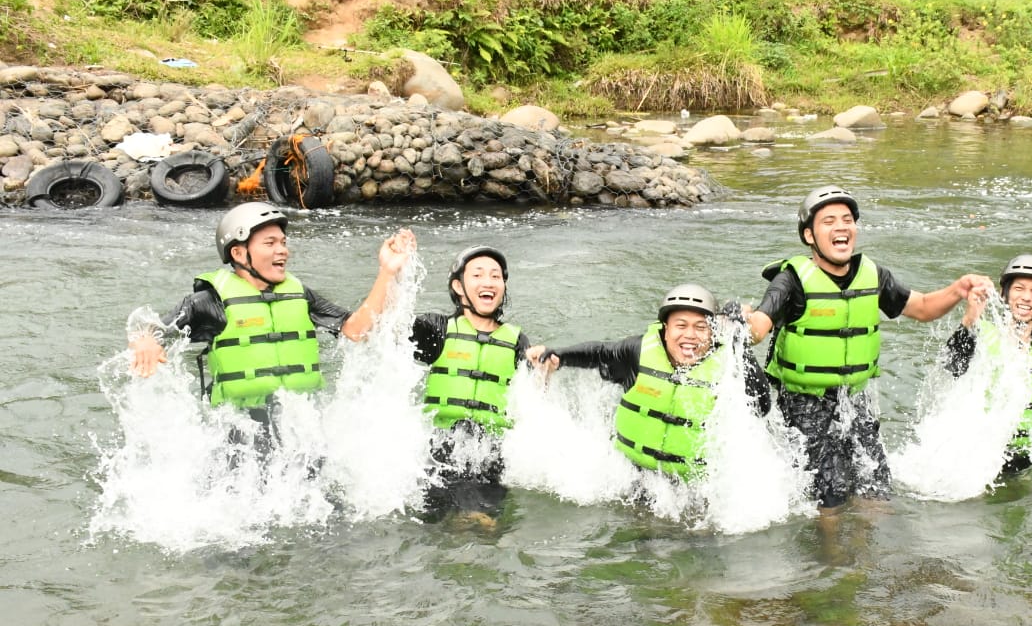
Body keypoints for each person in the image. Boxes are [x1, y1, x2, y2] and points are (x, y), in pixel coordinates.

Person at [744, 185, 993, 508]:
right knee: (829, 502)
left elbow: (923, 308)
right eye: (829, 221)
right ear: (809, 236)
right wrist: (740, 322)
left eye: (847, 220)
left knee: (876, 492)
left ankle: (872, 559)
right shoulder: (791, 281)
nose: (841, 227)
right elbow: (759, 328)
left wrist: (958, 289)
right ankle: (831, 559)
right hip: (804, 406)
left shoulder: (873, 275)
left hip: (855, 403)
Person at [128, 202, 414, 418]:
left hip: (298, 428)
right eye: (270, 243)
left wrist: (387, 272)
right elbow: (148, 329)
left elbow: (357, 329)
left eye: (283, 243)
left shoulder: (300, 295)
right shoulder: (209, 302)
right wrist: (146, 341)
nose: (283, 251)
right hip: (237, 433)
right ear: (239, 253)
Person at [528, 284, 771, 481]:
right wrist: (558, 355)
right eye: (681, 325)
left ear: (713, 334)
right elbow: (599, 353)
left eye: (700, 327)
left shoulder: (728, 365)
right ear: (665, 329)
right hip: (634, 477)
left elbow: (761, 405)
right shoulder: (639, 352)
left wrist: (739, 345)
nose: (690, 335)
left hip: (693, 487)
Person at [942, 253, 1032, 473]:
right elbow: (953, 366)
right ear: (1004, 294)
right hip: (982, 454)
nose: (1026, 297)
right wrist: (969, 319)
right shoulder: (980, 332)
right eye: (1019, 288)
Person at [409, 245, 534, 487]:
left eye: (495, 276)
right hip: (440, 452)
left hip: (491, 455)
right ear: (458, 286)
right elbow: (387, 326)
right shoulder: (437, 329)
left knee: (481, 523)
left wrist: (544, 373)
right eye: (477, 275)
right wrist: (390, 273)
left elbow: (532, 403)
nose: (488, 282)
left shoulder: (518, 341)